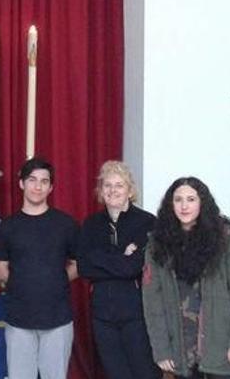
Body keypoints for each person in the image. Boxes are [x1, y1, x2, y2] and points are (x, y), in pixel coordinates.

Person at [142, 177, 230, 378]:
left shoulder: (226, 239)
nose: (184, 206)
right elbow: (153, 303)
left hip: (224, 351)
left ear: (202, 202)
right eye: (178, 200)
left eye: (191, 199)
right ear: (171, 204)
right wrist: (161, 349)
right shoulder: (157, 245)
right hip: (182, 351)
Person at [0, 157, 78, 379]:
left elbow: (78, 263)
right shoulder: (7, 227)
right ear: (21, 183)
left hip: (57, 320)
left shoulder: (66, 224)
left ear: (51, 187)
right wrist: (22, 285)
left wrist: (56, 280)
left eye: (44, 181)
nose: (37, 186)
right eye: (32, 180)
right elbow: (0, 268)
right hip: (19, 320)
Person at [77, 161, 160, 379]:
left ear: (130, 190)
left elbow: (134, 267)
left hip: (137, 315)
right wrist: (122, 257)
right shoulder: (91, 224)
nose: (113, 190)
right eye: (107, 185)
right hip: (103, 316)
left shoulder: (148, 222)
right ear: (100, 190)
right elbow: (85, 267)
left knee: (145, 373)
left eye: (119, 185)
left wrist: (102, 259)